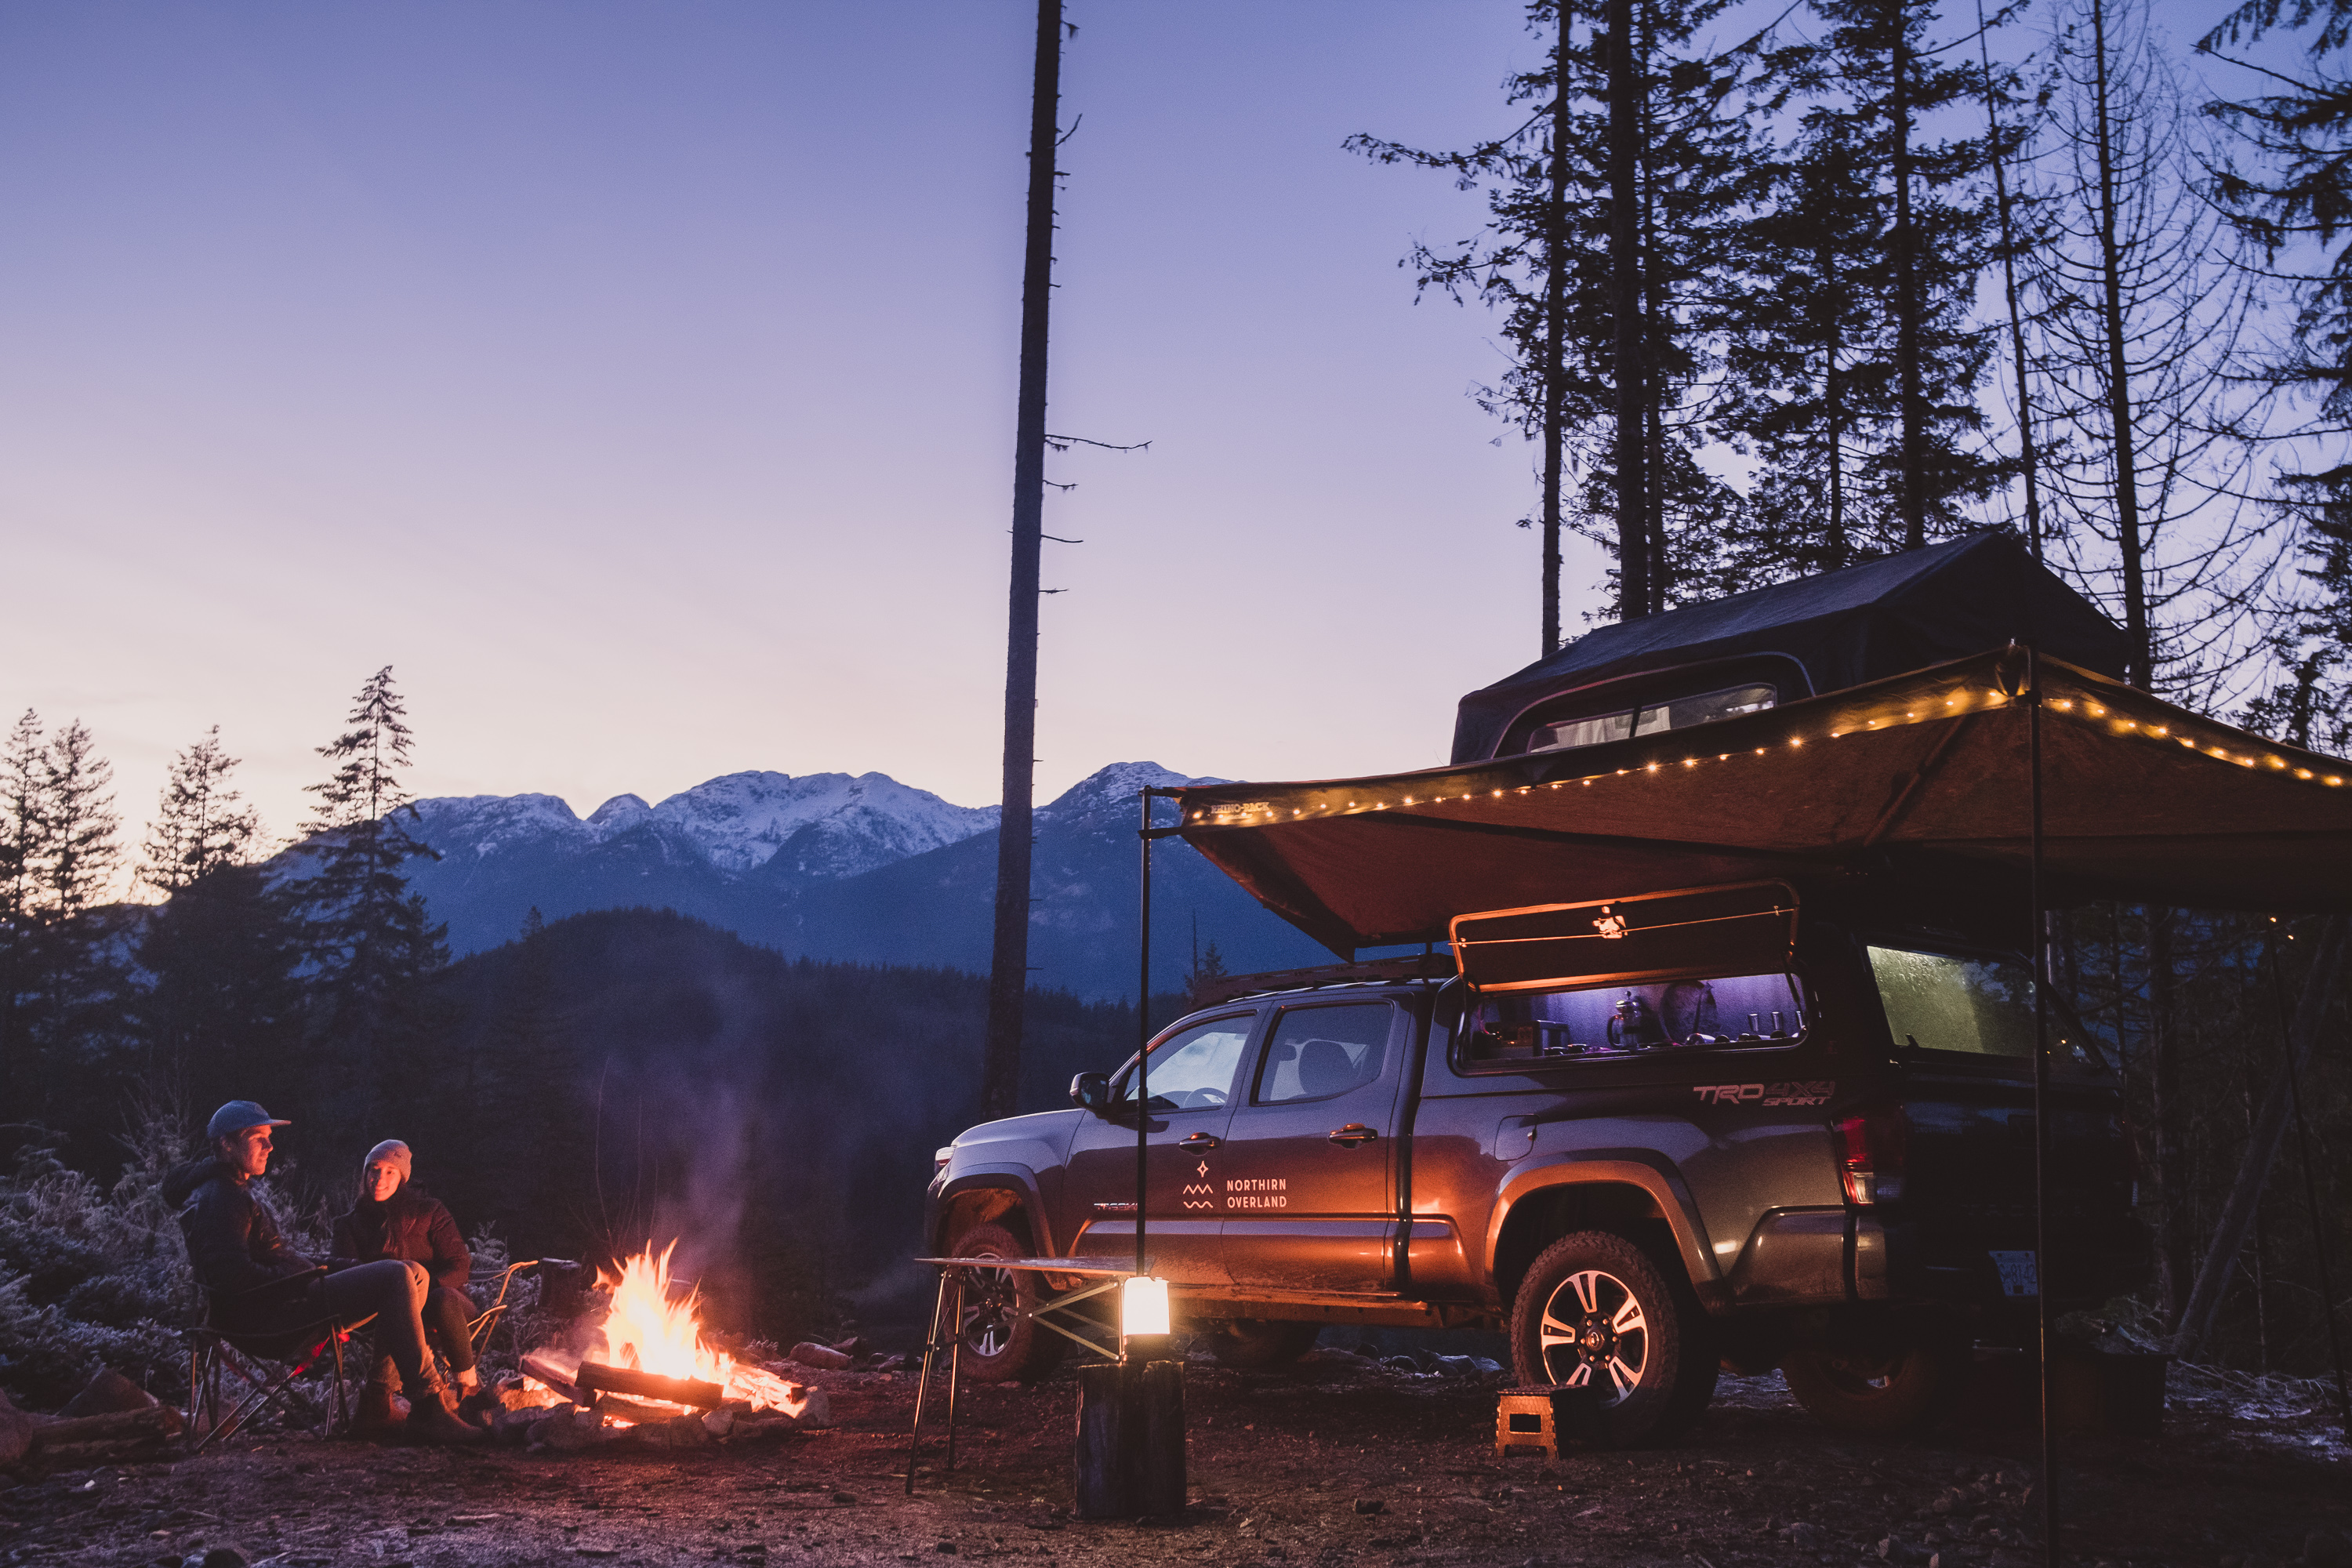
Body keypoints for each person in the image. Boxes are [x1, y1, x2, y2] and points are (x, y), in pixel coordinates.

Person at [163, 1101, 481, 1446]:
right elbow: (233, 1278)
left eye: (270, 1138)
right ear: (226, 1143)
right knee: (395, 1278)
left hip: (284, 1301)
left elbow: (276, 1257)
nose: (270, 1147)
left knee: (412, 1273)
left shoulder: (233, 1190)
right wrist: (303, 1278)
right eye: (259, 1138)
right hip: (271, 1318)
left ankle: (377, 1403)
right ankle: (429, 1407)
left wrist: (341, 1268)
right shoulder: (221, 1198)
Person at [331, 1140, 488, 1427]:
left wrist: (419, 1294)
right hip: (379, 1313)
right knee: (395, 1309)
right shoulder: (349, 1225)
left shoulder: (428, 1212)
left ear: (403, 1176)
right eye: (374, 1170)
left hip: (443, 1306)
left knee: (441, 1299)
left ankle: (469, 1389)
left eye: (391, 1172)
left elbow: (460, 1266)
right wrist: (398, 1296)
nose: (379, 1179)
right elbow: (346, 1276)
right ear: (365, 1174)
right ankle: (397, 1409)